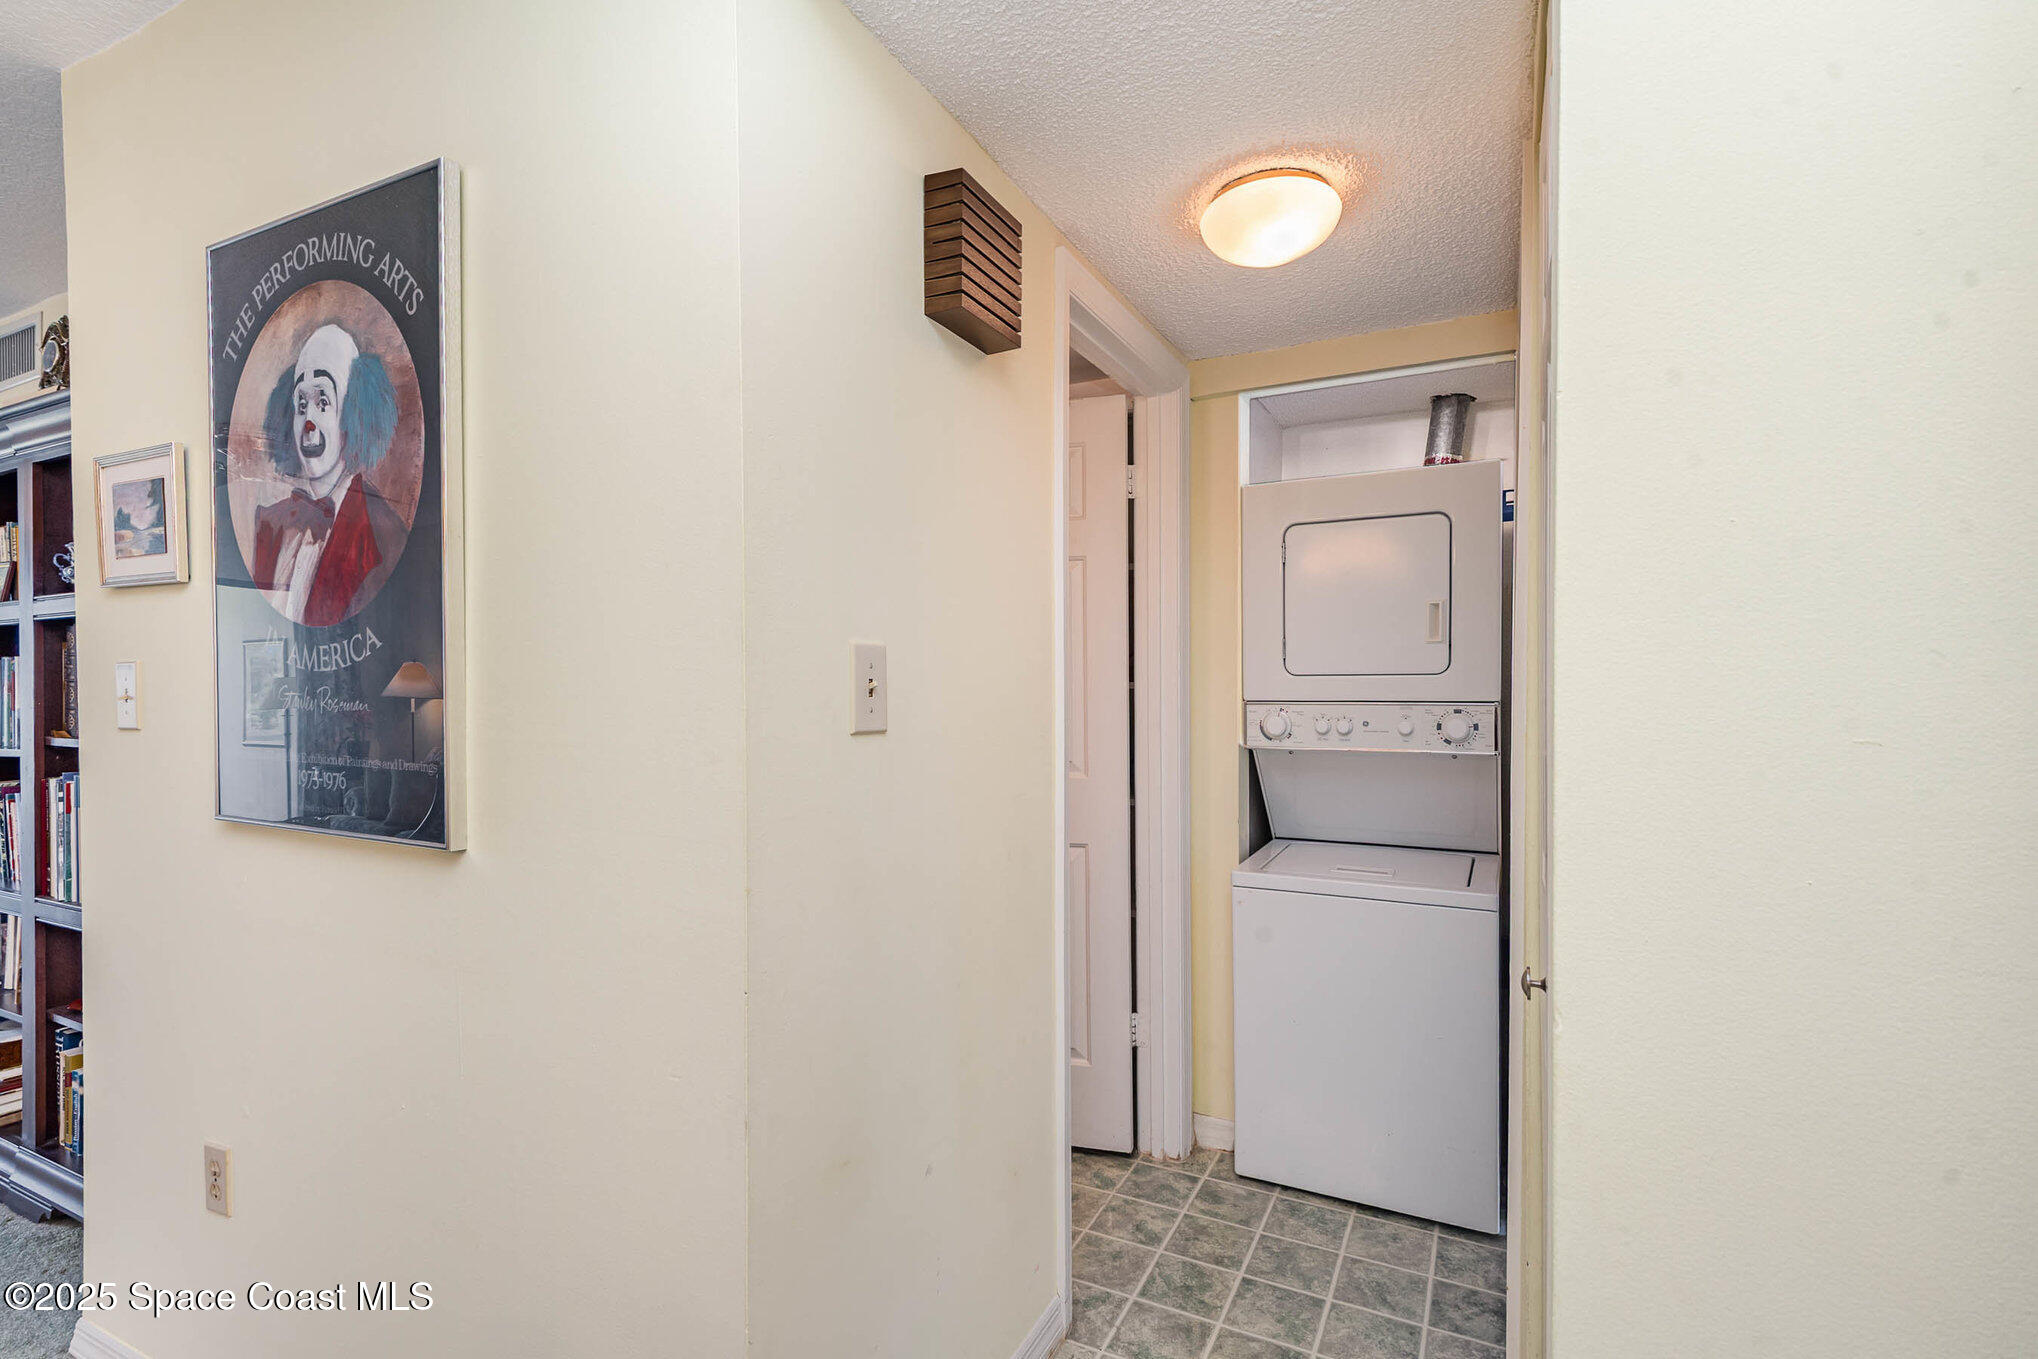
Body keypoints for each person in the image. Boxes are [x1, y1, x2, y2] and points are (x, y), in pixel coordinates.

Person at [251, 322, 407, 626]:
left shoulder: (384, 536)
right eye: (301, 404)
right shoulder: (271, 524)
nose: (308, 421)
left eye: (323, 402)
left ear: (354, 413)